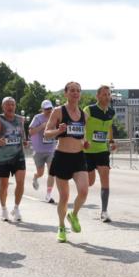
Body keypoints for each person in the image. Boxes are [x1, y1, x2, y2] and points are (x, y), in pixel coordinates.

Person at [44, 82, 89, 242]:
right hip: (62, 157)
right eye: (72, 91)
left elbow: (81, 135)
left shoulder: (84, 114)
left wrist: (84, 142)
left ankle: (73, 215)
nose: (75, 93)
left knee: (83, 191)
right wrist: (58, 130)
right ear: (66, 93)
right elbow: (47, 133)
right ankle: (61, 226)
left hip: (78, 157)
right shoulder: (58, 111)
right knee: (64, 197)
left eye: (78, 91)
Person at [0, 97, 28, 222]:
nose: (10, 107)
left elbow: (22, 132)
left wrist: (24, 140)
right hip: (4, 158)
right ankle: (3, 208)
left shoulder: (20, 119)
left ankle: (16, 208)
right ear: (3, 107)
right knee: (3, 186)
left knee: (20, 182)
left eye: (13, 104)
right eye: (8, 105)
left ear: (15, 106)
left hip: (19, 156)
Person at [84, 85, 118, 222]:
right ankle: (80, 186)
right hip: (87, 151)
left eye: (109, 94)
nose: (107, 97)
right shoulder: (89, 110)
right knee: (90, 182)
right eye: (104, 94)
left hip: (102, 151)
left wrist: (111, 141)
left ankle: (104, 211)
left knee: (105, 178)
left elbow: (109, 126)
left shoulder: (111, 112)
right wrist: (84, 139)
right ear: (97, 96)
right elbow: (81, 123)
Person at [28, 100, 57, 203]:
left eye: (50, 108)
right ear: (42, 109)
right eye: (47, 109)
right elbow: (31, 132)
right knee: (40, 173)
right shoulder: (37, 118)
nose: (49, 111)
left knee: (52, 172)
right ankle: (36, 177)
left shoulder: (55, 116)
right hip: (38, 150)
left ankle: (48, 195)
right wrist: (42, 126)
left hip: (50, 149)